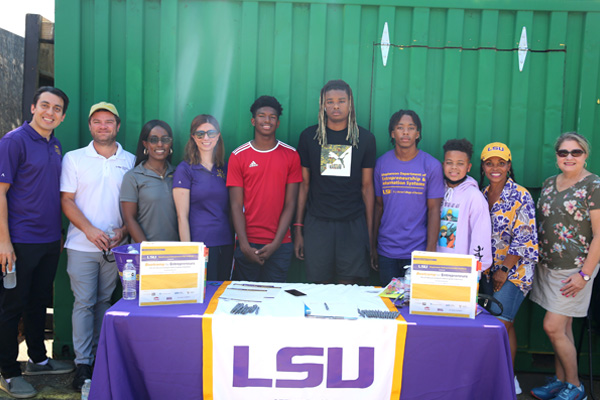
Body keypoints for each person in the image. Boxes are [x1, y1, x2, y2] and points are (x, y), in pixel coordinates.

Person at [0, 87, 74, 398]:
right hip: (18, 240)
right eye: (45, 105)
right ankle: (9, 372)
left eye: (57, 108)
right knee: (11, 307)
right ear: (33, 107)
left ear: (63, 116)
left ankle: (38, 359)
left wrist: (57, 234)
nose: (50, 112)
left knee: (38, 301)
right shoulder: (13, 141)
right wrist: (4, 242)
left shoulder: (55, 145)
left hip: (47, 240)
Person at [61, 102, 135, 390]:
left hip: (117, 247)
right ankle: (82, 364)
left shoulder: (129, 161)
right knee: (83, 303)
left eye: (109, 122)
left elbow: (135, 206)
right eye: (97, 122)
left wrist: (123, 231)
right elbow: (66, 200)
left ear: (117, 126)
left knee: (105, 302)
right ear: (90, 126)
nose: (103, 127)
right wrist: (89, 230)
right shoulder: (74, 158)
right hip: (81, 245)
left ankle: (99, 358)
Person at [530, 132, 600, 400]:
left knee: (552, 326)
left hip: (575, 270)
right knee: (563, 328)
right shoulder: (549, 184)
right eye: (564, 152)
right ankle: (560, 381)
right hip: (548, 267)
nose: (569, 157)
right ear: (557, 156)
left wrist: (584, 274)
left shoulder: (594, 186)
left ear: (585, 155)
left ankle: (576, 386)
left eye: (576, 152)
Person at [294, 80, 376, 284]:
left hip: (352, 225)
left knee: (348, 288)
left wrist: (369, 236)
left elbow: (367, 188)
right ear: (322, 105)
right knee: (318, 286)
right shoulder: (309, 137)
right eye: (329, 101)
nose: (336, 106)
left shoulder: (364, 138)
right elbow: (303, 185)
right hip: (318, 224)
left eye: (341, 101)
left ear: (351, 104)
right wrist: (298, 228)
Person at [479, 142, 538, 395]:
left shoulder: (521, 195)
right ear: (482, 167)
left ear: (509, 166)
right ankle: (501, 375)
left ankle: (505, 378)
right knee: (500, 325)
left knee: (501, 325)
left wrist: (504, 269)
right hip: (489, 272)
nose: (495, 168)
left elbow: (524, 237)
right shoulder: (481, 193)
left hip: (514, 271)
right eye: (490, 163)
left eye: (501, 163)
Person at [227, 96, 301, 282]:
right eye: (261, 116)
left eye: (272, 117)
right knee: (245, 299)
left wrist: (276, 243)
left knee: (274, 300)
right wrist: (244, 246)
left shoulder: (291, 155)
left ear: (278, 122)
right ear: (253, 121)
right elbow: (236, 205)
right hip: (248, 243)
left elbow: (290, 203)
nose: (267, 120)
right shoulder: (238, 155)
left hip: (280, 244)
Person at [373, 110, 443, 286]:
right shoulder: (381, 163)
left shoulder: (431, 165)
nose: (405, 132)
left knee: (414, 306)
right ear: (392, 133)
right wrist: (373, 246)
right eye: (400, 128)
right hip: (387, 250)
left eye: (411, 128)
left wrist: (430, 252)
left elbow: (434, 209)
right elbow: (378, 207)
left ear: (418, 133)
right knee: (389, 304)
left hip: (417, 251)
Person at [173, 115, 233, 280]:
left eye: (211, 133)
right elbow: (181, 216)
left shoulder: (225, 168)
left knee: (222, 293)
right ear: (193, 137)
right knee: (205, 297)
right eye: (200, 134)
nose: (206, 138)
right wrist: (188, 253)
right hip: (200, 245)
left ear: (218, 135)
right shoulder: (185, 169)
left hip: (226, 243)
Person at [436, 139, 492, 270]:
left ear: (468, 167)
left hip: (461, 269)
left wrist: (477, 267)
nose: (454, 167)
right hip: (434, 264)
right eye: (449, 163)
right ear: (443, 164)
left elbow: (480, 234)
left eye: (460, 164)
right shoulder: (436, 190)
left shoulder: (474, 196)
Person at [121, 120, 178, 243]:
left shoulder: (179, 174)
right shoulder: (133, 177)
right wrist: (148, 249)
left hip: (177, 252)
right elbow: (129, 219)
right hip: (146, 253)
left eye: (165, 139)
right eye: (153, 140)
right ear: (145, 144)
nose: (160, 144)